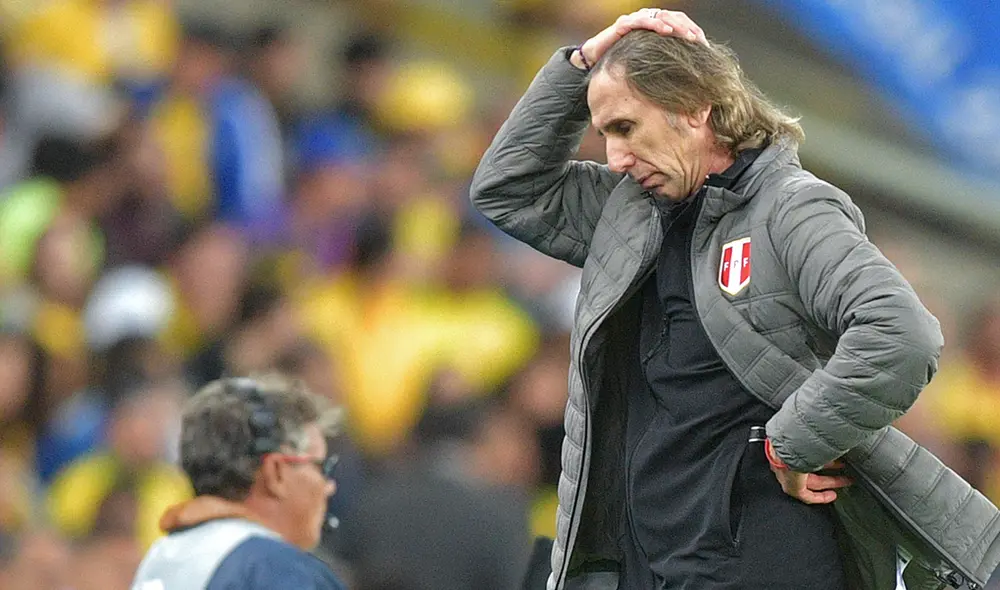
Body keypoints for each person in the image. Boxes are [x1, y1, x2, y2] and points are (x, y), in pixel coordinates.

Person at [471, 8, 1000, 590]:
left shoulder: (791, 208)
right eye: (605, 135)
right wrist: (585, 62)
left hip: (756, 559)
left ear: (696, 107)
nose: (615, 157)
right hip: (646, 558)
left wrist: (792, 443)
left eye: (626, 127)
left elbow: (901, 335)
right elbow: (507, 188)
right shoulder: (631, 209)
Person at [130, 374, 346, 590]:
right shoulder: (280, 571)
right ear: (276, 472)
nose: (328, 486)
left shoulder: (156, 561)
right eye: (320, 467)